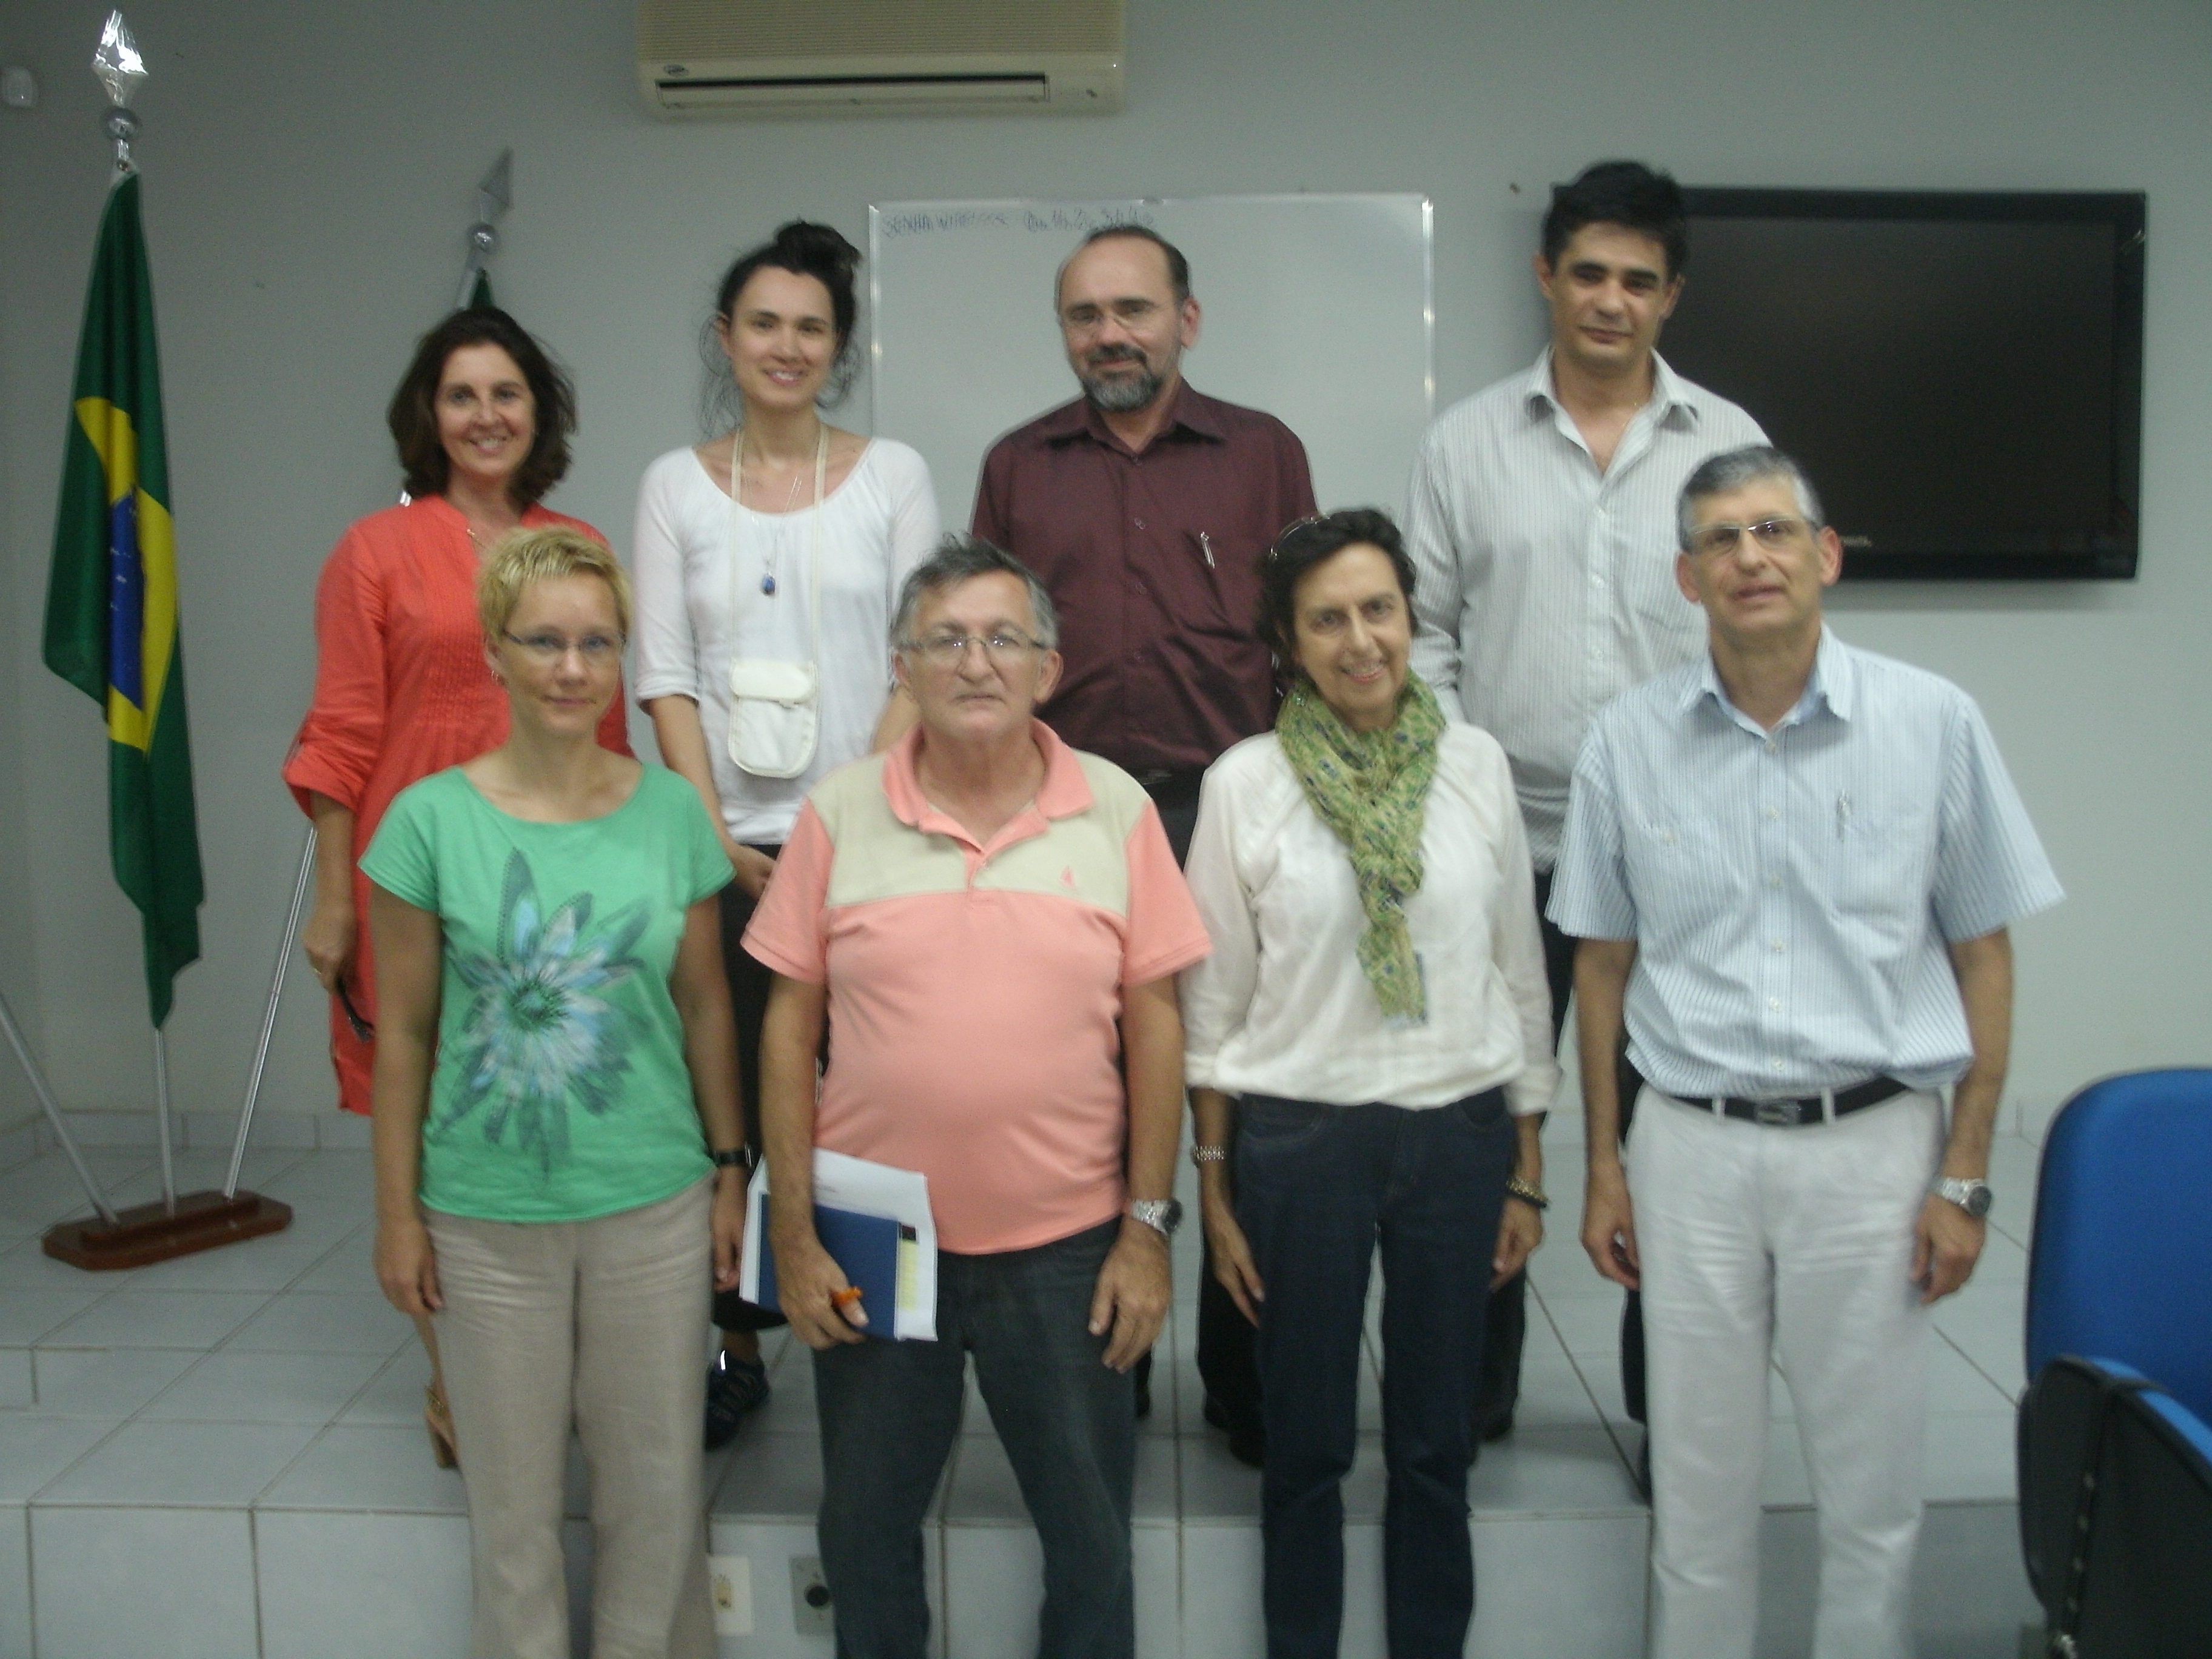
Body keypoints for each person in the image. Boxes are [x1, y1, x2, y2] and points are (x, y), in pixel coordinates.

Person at [1550, 446, 2062, 1659]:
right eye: (1721, 540)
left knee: (1870, 1488)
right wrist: (1607, 1168)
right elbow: (1601, 967)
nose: (1750, 558)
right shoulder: (1626, 742)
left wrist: (1966, 1174)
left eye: (1774, 531)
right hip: (1691, 1149)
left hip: (1875, 1150)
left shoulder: (1935, 723)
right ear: (1687, 577)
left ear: (1825, 556)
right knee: (1701, 1489)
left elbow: (1984, 957)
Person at [743, 537, 1212, 1659]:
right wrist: (794, 1232)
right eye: (945, 640)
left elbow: (1157, 1025)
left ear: (1049, 667)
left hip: (1067, 1246)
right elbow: (786, 1029)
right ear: (901, 666)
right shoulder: (838, 813)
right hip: (869, 1236)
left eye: (1005, 638)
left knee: (1091, 1538)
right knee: (864, 1529)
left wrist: (1147, 1232)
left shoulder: (1115, 809)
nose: (976, 662)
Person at [1403, 160, 1767, 1459]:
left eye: (1639, 281)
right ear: (1546, 276)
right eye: (1590, 273)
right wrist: (1465, 788)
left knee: (1672, 1136)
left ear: (1672, 297)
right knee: (1482, 1128)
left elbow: (1757, 626)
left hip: (1682, 855)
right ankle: (1471, 1393)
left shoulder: (1727, 445)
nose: (1611, 301)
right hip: (1510, 846)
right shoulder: (1464, 443)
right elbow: (1427, 638)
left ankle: (1671, 1402)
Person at [364, 528, 748, 1659]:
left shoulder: (674, 811)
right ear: (495, 653)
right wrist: (398, 1218)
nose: (573, 667)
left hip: (654, 1203)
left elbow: (706, 1007)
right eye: (545, 641)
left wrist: (731, 1171)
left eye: (596, 643)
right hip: (484, 1221)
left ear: (623, 656)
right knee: (514, 1514)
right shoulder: (427, 825)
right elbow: (408, 1039)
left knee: (656, 1496)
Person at [1181, 510, 1558, 1659]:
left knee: (1438, 1443)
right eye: (1328, 620)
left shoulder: (1476, 763)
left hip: (1459, 1132)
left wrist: (1528, 1167)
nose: (1360, 640)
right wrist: (1216, 1185)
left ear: (1412, 620)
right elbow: (1212, 1003)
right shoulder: (1246, 781)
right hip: (1301, 1142)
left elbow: (1517, 971)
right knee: (1304, 1446)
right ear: (1288, 645)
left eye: (1379, 610)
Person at [971, 221, 1316, 1453]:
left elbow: (1309, 644)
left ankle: (1247, 1378)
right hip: (1063, 821)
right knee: (1087, 1099)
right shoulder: (1019, 466)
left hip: (1228, 811)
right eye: (1084, 315)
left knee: (1236, 1093)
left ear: (1188, 317)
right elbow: (986, 646)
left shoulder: (1264, 454)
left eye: (1133, 309)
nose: (1110, 334)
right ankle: (1101, 1371)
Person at [286, 306, 631, 1464]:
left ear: (541, 414)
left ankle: (558, 1361)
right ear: (427, 418)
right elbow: (338, 735)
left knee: (543, 1103)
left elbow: (611, 728)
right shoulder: (374, 553)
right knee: (429, 1123)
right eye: (462, 396)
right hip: (420, 874)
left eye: (507, 395)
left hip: (556, 880)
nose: (486, 416)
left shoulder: (578, 543)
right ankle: (457, 1386)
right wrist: (335, 897)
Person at [631, 218, 940, 1447]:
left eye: (812, 328)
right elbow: (663, 673)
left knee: (870, 1097)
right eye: (764, 323)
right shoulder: (671, 485)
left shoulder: (894, 475)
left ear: (840, 347)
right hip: (723, 848)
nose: (787, 345)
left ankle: (876, 1324)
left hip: (868, 838)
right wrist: (713, 839)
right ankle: (738, 1340)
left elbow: (919, 655)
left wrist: (848, 823)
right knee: (728, 1103)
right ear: (727, 337)